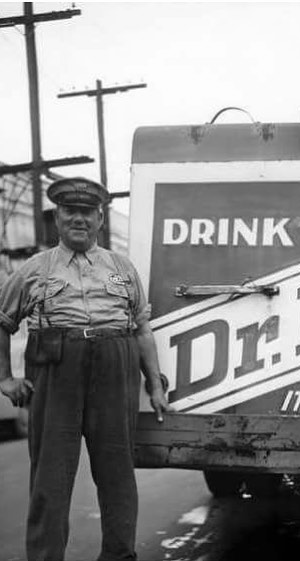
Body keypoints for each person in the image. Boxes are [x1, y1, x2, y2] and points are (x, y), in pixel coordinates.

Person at [0, 177, 173, 561]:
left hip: (114, 366)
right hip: (56, 367)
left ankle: (119, 555)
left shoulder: (121, 267)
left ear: (100, 219)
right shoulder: (34, 269)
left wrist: (155, 385)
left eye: (87, 212)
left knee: (117, 473)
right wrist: (5, 378)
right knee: (50, 477)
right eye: (70, 211)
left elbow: (142, 329)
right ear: (57, 218)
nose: (78, 219)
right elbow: (2, 320)